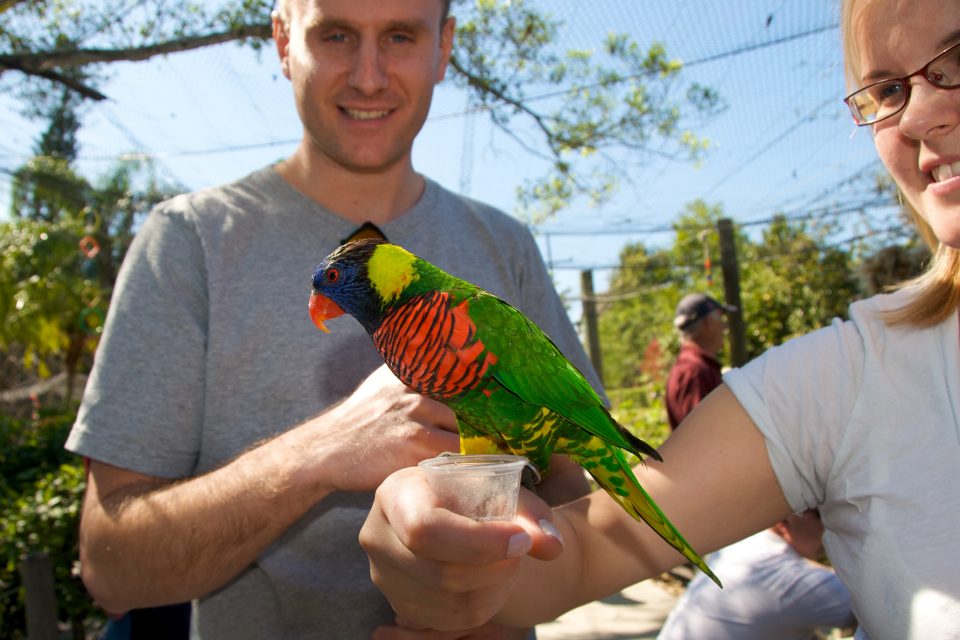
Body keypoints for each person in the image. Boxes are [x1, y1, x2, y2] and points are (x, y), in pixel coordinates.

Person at [356, 1, 960, 637]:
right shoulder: (842, 380)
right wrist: (451, 562)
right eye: (888, 89)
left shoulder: (469, 316)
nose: (917, 114)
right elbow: (590, 548)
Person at [65, 1, 600, 638]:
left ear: (444, 46)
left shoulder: (502, 246)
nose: (368, 76)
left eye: (400, 35)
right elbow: (109, 568)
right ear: (284, 40)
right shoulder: (190, 242)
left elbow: (579, 487)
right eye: (337, 34)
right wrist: (318, 453)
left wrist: (503, 587)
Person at [657, 510, 856, 639]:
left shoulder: (737, 543)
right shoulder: (790, 581)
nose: (832, 525)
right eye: (821, 515)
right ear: (785, 521)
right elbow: (878, 605)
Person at [665, 293, 735, 430]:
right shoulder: (695, 371)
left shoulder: (693, 367)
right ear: (709, 322)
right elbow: (701, 435)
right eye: (721, 318)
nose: (725, 326)